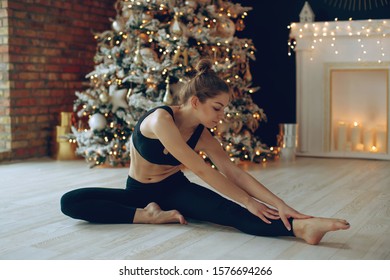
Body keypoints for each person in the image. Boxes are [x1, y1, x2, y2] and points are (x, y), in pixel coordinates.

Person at [61, 59, 350, 245]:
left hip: (174, 190)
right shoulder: (161, 120)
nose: (221, 116)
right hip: (137, 193)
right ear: (196, 101)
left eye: (224, 110)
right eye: (217, 108)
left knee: (228, 212)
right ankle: (148, 216)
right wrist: (249, 201)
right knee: (71, 201)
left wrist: (280, 203)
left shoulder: (203, 136)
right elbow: (200, 169)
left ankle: (302, 229)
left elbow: (233, 172)